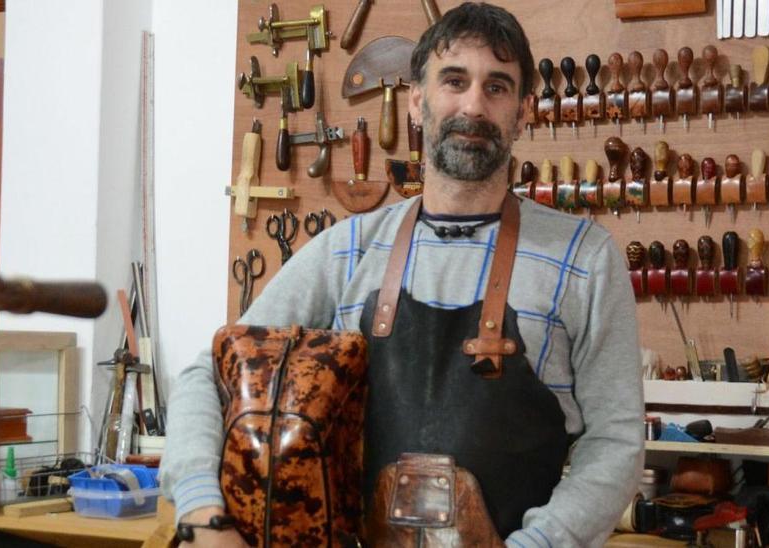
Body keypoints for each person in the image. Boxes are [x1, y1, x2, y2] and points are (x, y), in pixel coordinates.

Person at [161, 3, 644, 546]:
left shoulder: (586, 258)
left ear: (524, 111)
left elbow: (616, 442)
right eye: (454, 81)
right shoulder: (347, 251)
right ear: (416, 101)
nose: (473, 105)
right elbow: (211, 376)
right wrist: (203, 511)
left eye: (497, 87)